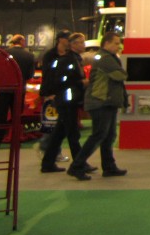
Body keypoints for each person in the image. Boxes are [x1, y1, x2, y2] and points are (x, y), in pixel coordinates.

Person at [67, 32, 128, 180]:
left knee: (108, 136)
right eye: (115, 43)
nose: (119, 46)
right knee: (99, 134)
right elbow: (120, 75)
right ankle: (77, 166)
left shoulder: (108, 57)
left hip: (107, 102)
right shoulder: (105, 58)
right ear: (106, 43)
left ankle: (109, 166)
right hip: (100, 102)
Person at [41, 33, 94, 173]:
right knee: (72, 134)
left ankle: (48, 163)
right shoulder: (68, 60)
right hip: (67, 100)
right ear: (73, 44)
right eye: (81, 42)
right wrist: (81, 83)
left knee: (59, 134)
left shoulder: (75, 59)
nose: (84, 45)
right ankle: (79, 163)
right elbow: (62, 80)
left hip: (69, 100)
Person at [0, 34, 35, 149]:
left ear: (12, 42)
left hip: (4, 89)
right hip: (19, 90)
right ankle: (16, 141)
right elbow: (30, 75)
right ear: (22, 42)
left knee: (0, 116)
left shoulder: (3, 53)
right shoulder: (29, 55)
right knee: (17, 117)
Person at [36, 29, 71, 158]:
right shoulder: (50, 55)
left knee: (60, 124)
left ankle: (52, 150)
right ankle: (46, 148)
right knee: (51, 123)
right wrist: (49, 93)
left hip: (63, 93)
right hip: (52, 94)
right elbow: (48, 75)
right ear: (60, 39)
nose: (69, 41)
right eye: (67, 38)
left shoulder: (68, 54)